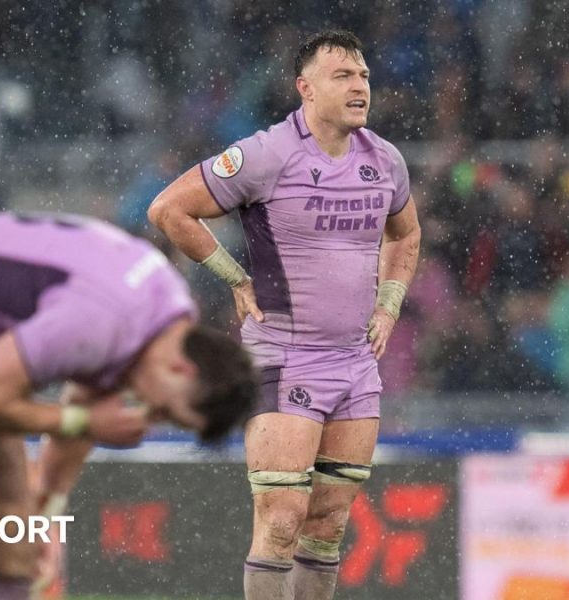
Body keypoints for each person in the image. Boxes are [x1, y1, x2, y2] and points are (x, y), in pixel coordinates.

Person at [0, 211, 258, 600]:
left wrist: (45, 510)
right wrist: (86, 421)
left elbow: (85, 398)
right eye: (166, 411)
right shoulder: (101, 321)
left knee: (16, 541)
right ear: (181, 369)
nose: (149, 418)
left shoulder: (167, 313)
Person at [148, 30, 421, 600]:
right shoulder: (266, 154)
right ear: (306, 89)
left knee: (328, 526)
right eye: (342, 76)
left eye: (364, 75)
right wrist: (234, 277)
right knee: (281, 519)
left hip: (355, 363)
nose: (359, 86)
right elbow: (170, 209)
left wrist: (389, 305)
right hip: (285, 357)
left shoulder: (385, 160)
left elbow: (407, 233)